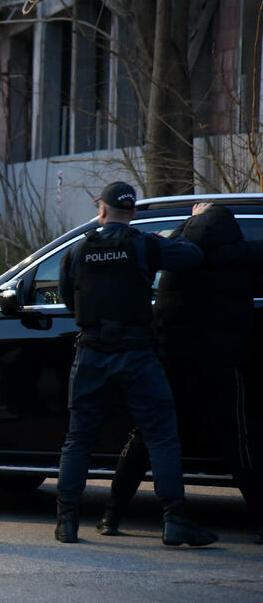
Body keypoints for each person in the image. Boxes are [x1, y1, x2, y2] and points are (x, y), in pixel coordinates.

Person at [54, 181, 217, 547]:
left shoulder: (79, 251)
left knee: (79, 438)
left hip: (93, 354)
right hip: (137, 355)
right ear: (133, 214)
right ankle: (174, 520)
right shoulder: (145, 243)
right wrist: (190, 225)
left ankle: (67, 523)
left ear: (102, 211)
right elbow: (190, 256)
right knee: (161, 436)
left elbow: (68, 300)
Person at [97, 202, 263, 545]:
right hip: (222, 364)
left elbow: (155, 252)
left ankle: (110, 516)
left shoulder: (178, 248)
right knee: (238, 443)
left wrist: (191, 221)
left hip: (171, 361)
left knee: (146, 437)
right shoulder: (245, 253)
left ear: (195, 219)